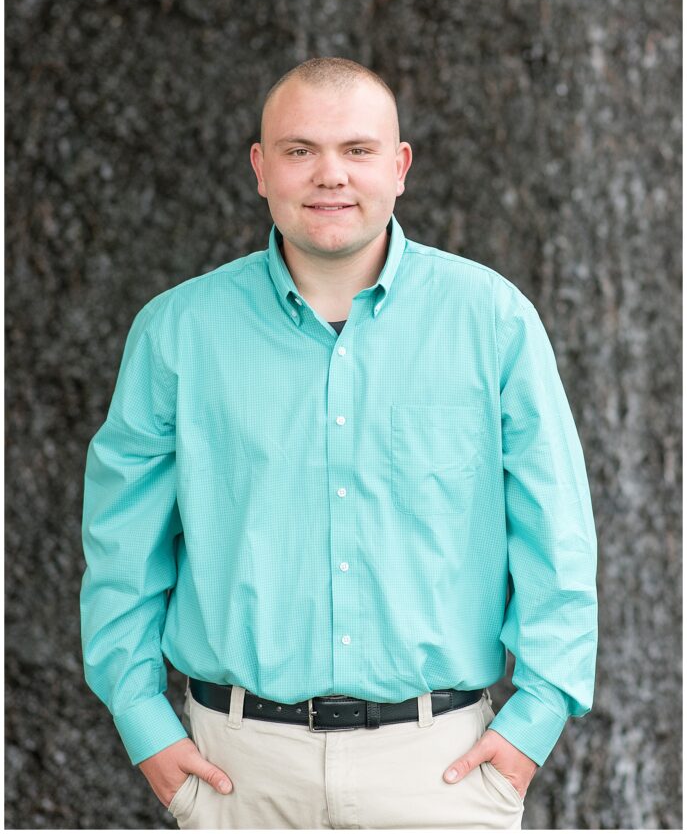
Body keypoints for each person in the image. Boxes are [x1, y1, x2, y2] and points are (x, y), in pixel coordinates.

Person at [80, 56, 598, 830]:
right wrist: (141, 719)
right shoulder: (177, 333)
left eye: (357, 151)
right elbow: (121, 545)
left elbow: (555, 533)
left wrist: (534, 720)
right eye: (299, 151)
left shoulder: (491, 321)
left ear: (399, 167)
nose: (331, 176)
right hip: (236, 774)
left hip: (442, 772)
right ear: (260, 168)